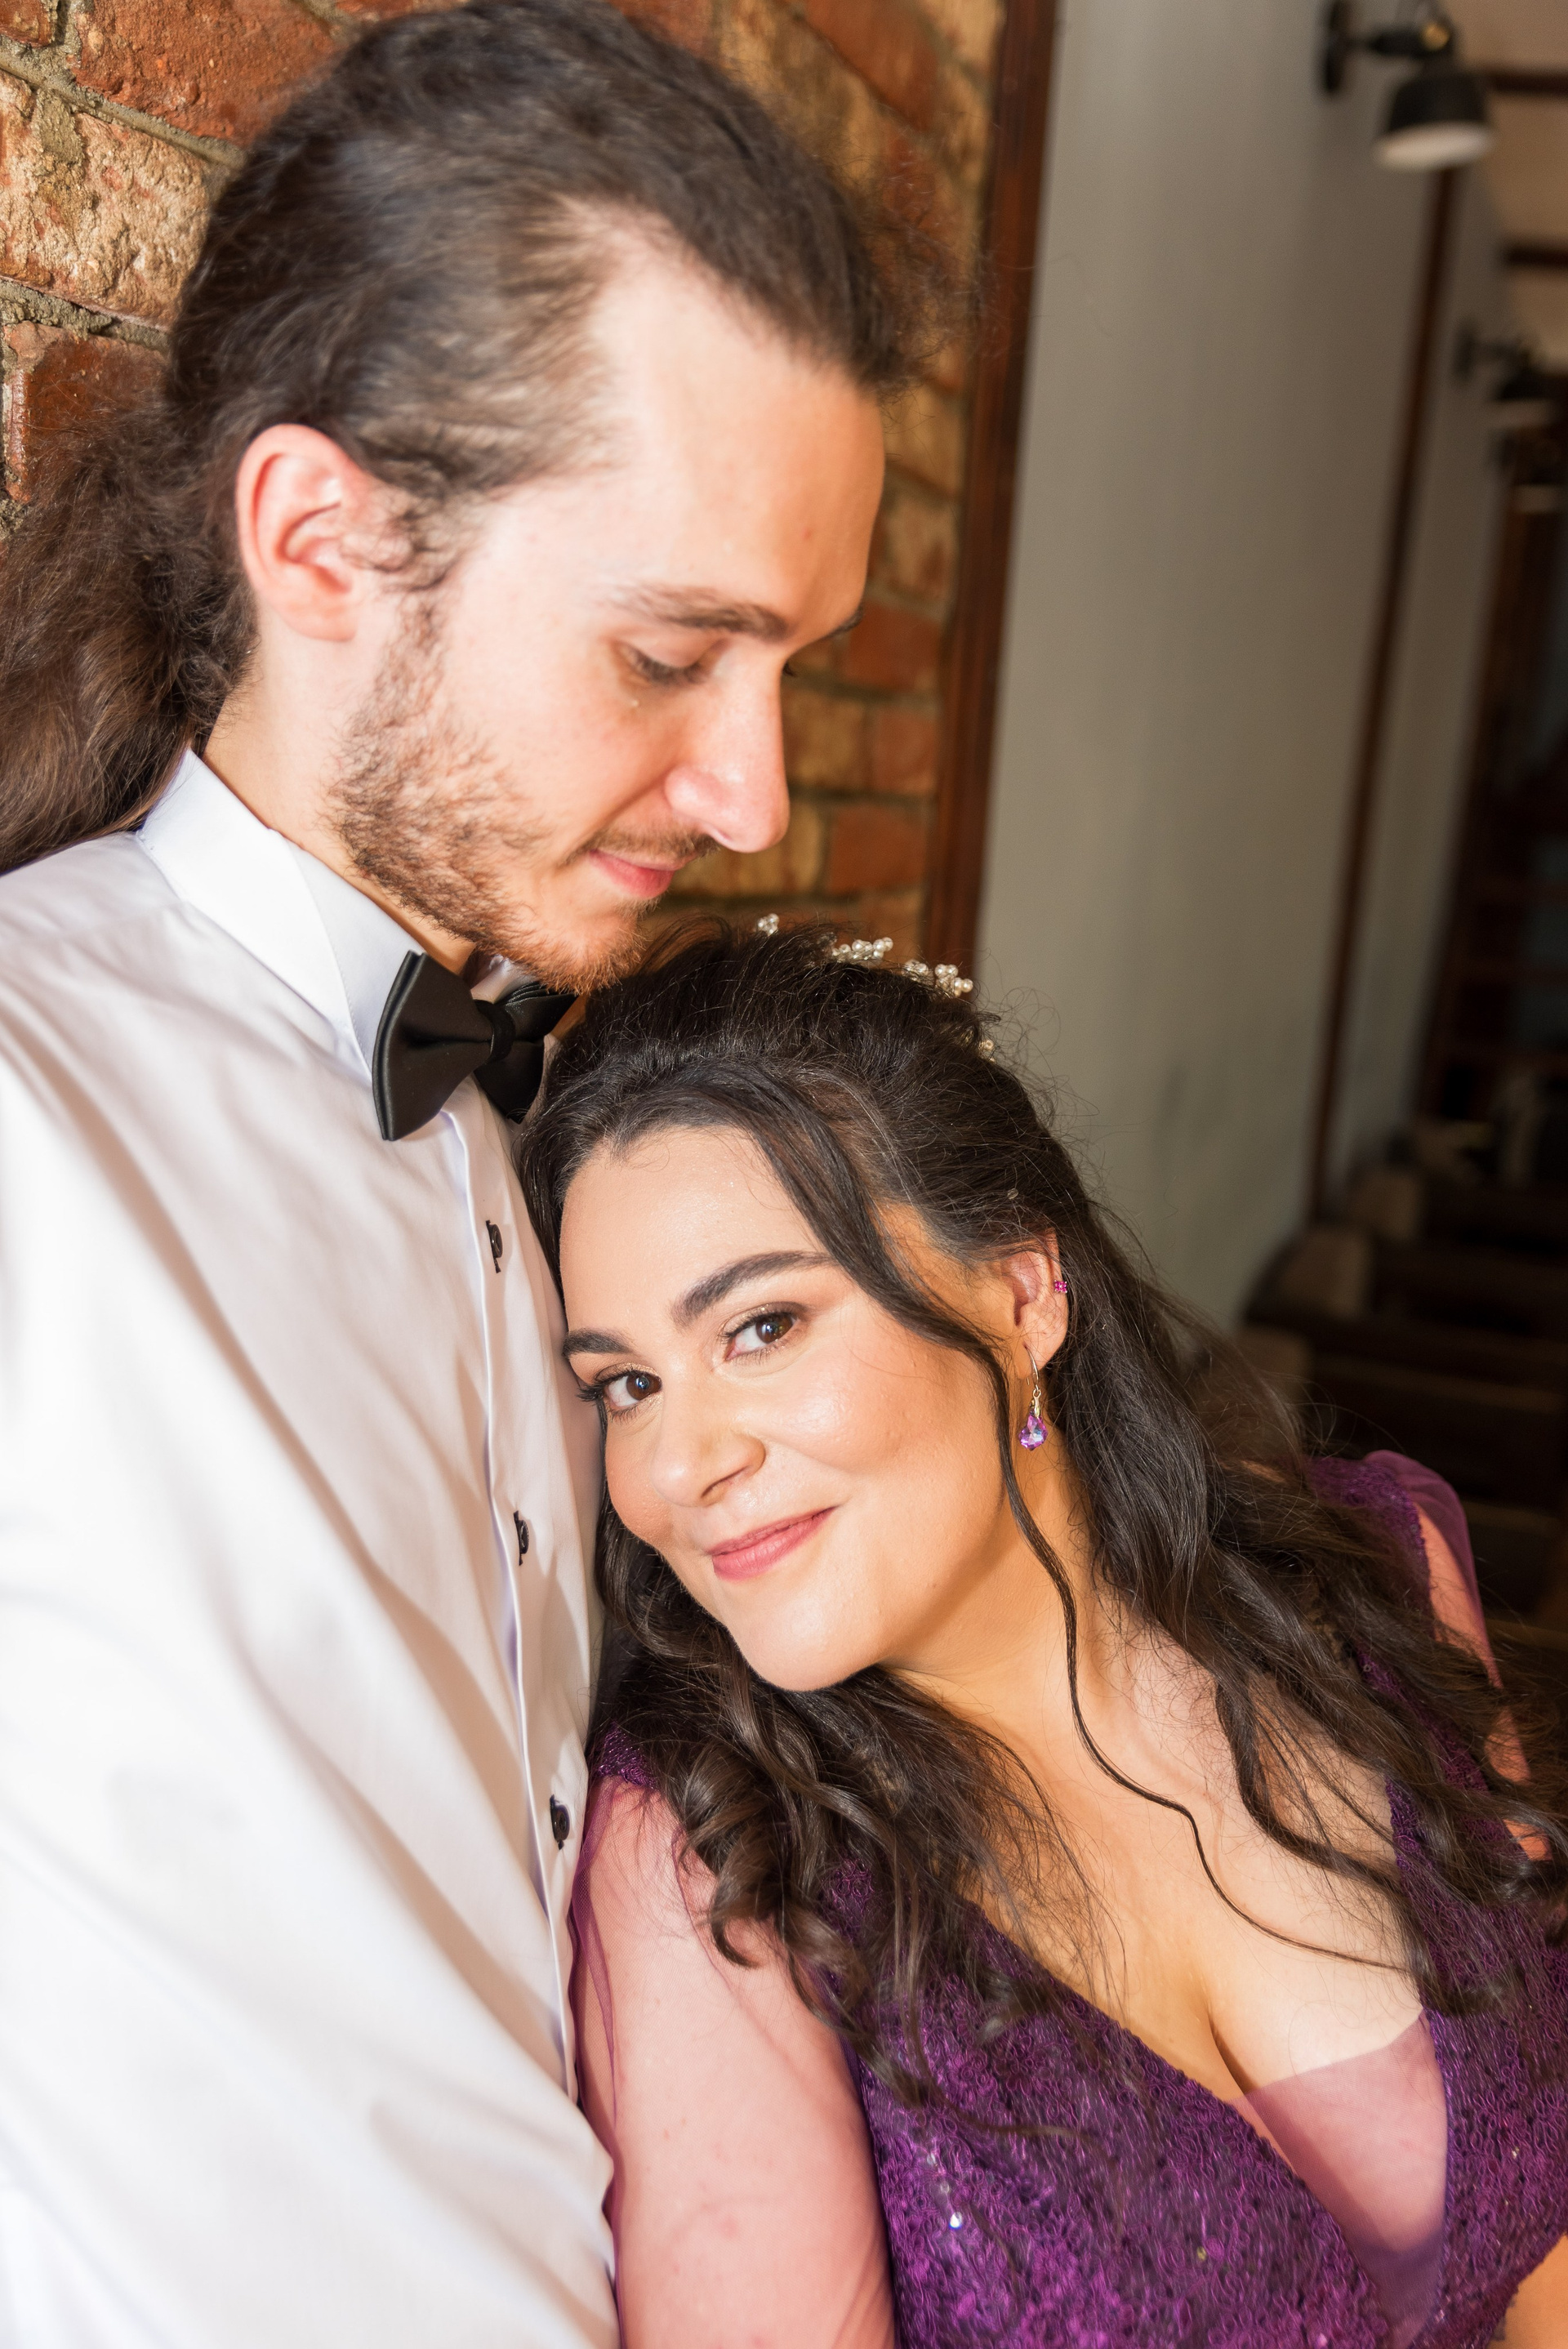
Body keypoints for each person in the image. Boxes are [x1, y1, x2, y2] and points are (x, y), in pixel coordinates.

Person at [0, 5, 935, 2339]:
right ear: (322, 542)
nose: (753, 794)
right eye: (669, 652)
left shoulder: (572, 1158)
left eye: (789, 668)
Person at [521, 920, 1568, 2349]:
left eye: (762, 1328)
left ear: (1022, 1293)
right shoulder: (715, 1861)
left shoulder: (1378, 1582)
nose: (679, 1467)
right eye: (627, 1386)